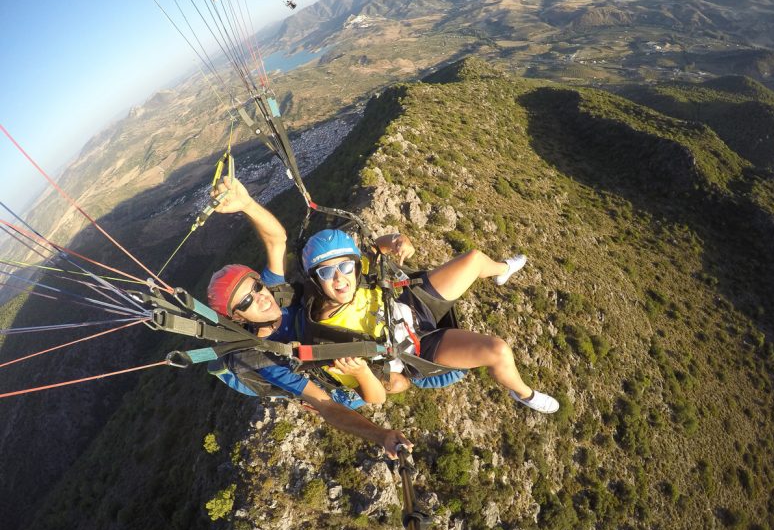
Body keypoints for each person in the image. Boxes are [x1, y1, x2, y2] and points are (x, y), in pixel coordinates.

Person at [205, 176, 410, 457]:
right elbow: (325, 405)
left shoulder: (277, 295)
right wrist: (380, 435)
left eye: (256, 286)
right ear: (238, 318)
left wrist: (247, 204)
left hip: (339, 340)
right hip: (335, 381)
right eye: (246, 300)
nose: (260, 296)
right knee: (399, 382)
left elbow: (277, 240)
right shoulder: (264, 358)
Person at [301, 229, 560, 413]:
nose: (339, 279)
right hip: (415, 347)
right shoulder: (330, 336)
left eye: (345, 267)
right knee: (498, 351)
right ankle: (525, 394)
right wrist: (362, 372)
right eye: (327, 272)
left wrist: (398, 240)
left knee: (475, 259)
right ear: (315, 279)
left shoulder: (359, 270)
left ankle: (502, 270)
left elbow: (376, 247)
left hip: (410, 303)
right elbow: (377, 396)